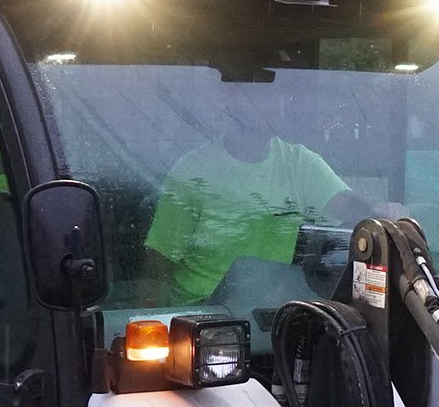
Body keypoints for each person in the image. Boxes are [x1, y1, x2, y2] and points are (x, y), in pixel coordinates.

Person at [141, 123, 373, 303]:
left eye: (275, 99)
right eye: (255, 98)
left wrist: (385, 215)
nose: (266, 110)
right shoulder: (191, 172)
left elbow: (354, 211)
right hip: (203, 317)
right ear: (227, 102)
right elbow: (158, 266)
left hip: (280, 310)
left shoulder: (300, 163)